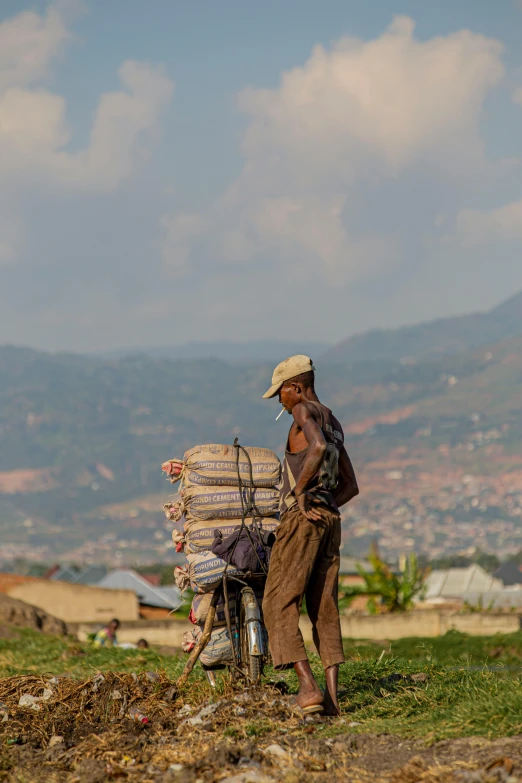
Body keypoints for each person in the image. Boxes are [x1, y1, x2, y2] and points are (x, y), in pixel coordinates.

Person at [262, 355, 359, 716]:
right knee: (324, 609)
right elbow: (351, 485)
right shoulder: (333, 420)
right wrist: (326, 503)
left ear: (297, 387)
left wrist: (302, 495)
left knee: (277, 602)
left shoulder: (304, 412)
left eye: (281, 393)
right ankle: (333, 703)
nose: (280, 401)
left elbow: (316, 448)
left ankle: (307, 688)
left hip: (303, 520)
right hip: (330, 519)